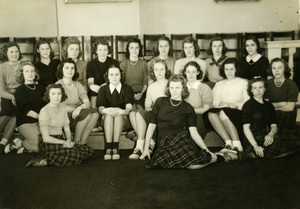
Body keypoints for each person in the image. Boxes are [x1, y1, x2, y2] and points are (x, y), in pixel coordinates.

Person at [140, 75, 218, 169]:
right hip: (164, 141)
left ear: (183, 88)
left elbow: (193, 132)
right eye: (172, 87)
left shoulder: (188, 107)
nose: (174, 90)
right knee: (158, 161)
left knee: (193, 166)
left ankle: (217, 157)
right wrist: (145, 149)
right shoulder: (160, 102)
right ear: (168, 88)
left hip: (181, 140)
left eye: (177, 87)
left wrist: (206, 150)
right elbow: (151, 126)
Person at [25, 84, 94, 167]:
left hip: (60, 139)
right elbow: (46, 138)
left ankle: (47, 158)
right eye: (53, 94)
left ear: (62, 95)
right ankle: (46, 161)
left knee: (88, 150)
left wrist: (68, 140)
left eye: (59, 94)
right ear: (48, 96)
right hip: (49, 142)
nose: (56, 97)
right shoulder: (44, 111)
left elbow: (67, 129)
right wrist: (64, 142)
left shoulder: (63, 107)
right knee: (76, 155)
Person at [241, 76, 294, 160]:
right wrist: (255, 146)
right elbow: (246, 128)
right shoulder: (248, 105)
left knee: (289, 146)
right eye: (255, 88)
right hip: (252, 136)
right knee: (281, 148)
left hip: (265, 134)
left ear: (265, 89)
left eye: (260, 87)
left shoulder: (269, 105)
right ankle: (254, 151)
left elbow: (274, 125)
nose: (258, 90)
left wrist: (271, 134)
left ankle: (255, 154)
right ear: (251, 90)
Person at [206, 58, 249, 155]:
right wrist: (227, 105)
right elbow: (215, 103)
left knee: (223, 112)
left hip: (238, 111)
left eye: (231, 69)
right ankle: (228, 143)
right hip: (224, 110)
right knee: (211, 114)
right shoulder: (219, 84)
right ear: (223, 71)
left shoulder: (243, 83)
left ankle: (237, 144)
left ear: (236, 70)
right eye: (226, 69)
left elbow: (247, 103)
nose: (229, 72)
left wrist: (236, 105)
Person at [5, 62, 46, 154]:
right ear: (22, 74)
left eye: (32, 71)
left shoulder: (41, 88)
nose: (30, 73)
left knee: (48, 143)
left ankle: (21, 145)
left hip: (40, 121)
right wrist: (40, 117)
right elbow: (25, 109)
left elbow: (46, 104)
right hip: (25, 122)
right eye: (27, 71)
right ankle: (21, 143)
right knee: (42, 147)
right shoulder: (20, 90)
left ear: (35, 73)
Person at [56, 58, 99, 145]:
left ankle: (83, 141)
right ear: (61, 70)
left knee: (95, 114)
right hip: (64, 118)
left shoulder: (77, 85)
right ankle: (76, 141)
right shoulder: (58, 85)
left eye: (72, 68)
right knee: (86, 113)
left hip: (78, 114)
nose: (70, 70)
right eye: (67, 68)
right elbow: (60, 107)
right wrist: (75, 109)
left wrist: (79, 108)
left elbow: (87, 103)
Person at [96, 65, 134, 160]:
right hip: (106, 119)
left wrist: (120, 111)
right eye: (111, 74)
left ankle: (116, 146)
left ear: (121, 76)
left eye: (117, 74)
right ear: (107, 76)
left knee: (118, 116)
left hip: (123, 120)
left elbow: (128, 108)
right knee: (108, 116)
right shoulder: (103, 89)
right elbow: (100, 109)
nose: (114, 77)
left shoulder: (127, 89)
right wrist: (107, 110)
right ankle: (109, 147)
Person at [120, 38, 148, 160]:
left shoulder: (144, 63)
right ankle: (147, 140)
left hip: (141, 94)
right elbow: (121, 84)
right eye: (132, 47)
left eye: (137, 47)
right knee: (131, 110)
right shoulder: (123, 64)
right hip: (127, 94)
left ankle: (140, 143)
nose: (134, 50)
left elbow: (146, 82)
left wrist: (141, 93)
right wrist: (130, 95)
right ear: (128, 49)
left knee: (137, 111)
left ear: (140, 49)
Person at [266, 58, 299, 140]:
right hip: (271, 113)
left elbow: (290, 107)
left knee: (279, 117)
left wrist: (272, 107)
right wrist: (282, 103)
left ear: (285, 69)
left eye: (280, 68)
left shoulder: (291, 84)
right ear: (271, 69)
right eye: (274, 68)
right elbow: (265, 104)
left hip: (286, 115)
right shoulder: (268, 83)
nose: (277, 71)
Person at [144, 59, 170, 155]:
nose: (159, 72)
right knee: (147, 114)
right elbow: (148, 103)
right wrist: (149, 108)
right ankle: (151, 142)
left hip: (168, 112)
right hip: (155, 112)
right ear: (153, 71)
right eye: (156, 70)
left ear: (166, 70)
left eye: (161, 69)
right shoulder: (151, 86)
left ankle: (155, 144)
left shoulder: (170, 83)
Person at [0, 42, 22, 155]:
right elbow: (1, 91)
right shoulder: (2, 67)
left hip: (22, 96)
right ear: (6, 53)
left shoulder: (24, 65)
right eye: (11, 52)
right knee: (7, 112)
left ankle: (3, 143)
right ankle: (3, 142)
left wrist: (18, 97)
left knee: (16, 114)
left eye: (16, 51)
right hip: (7, 96)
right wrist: (13, 97)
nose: (14, 54)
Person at [183, 61, 212, 139]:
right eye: (188, 72)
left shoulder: (204, 87)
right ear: (185, 72)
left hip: (200, 118)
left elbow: (205, 109)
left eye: (193, 72)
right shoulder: (182, 88)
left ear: (198, 73)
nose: (191, 74)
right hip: (183, 117)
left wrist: (187, 111)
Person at [86, 40, 119, 108]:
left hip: (110, 88)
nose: (102, 52)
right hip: (96, 90)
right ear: (96, 51)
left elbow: (118, 79)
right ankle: (94, 111)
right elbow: (90, 81)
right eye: (100, 50)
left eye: (105, 50)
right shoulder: (91, 64)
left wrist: (106, 85)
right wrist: (92, 86)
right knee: (93, 91)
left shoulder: (114, 62)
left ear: (108, 51)